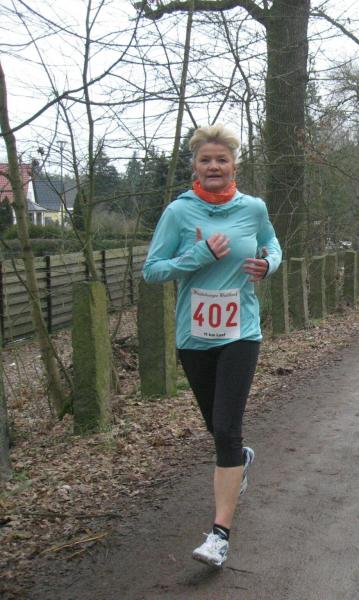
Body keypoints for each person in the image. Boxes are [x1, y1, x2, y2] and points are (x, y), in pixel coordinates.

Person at [142, 124, 282, 568]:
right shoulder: (178, 213)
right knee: (217, 428)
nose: (214, 166)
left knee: (226, 428)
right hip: (194, 338)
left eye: (222, 159)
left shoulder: (253, 208)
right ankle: (239, 460)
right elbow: (152, 270)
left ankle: (219, 535)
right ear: (195, 167)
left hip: (241, 333)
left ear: (234, 165)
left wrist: (269, 264)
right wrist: (198, 256)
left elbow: (273, 244)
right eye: (206, 160)